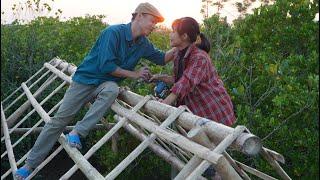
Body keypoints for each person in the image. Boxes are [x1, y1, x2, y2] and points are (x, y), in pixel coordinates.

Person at [15, 2, 177, 179]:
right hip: (85, 81)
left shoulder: (143, 44)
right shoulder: (113, 33)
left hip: (105, 85)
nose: (154, 26)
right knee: (58, 121)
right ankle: (29, 166)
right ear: (139, 16)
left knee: (112, 89)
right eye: (152, 21)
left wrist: (183, 42)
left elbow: (162, 59)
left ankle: (77, 132)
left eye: (156, 23)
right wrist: (135, 74)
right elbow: (106, 65)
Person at [150, 17, 236, 179]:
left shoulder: (199, 57)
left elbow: (185, 83)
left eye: (173, 31)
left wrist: (163, 105)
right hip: (197, 113)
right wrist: (159, 77)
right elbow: (178, 80)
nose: (170, 35)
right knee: (205, 159)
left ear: (184, 37)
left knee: (213, 162)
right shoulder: (179, 55)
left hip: (213, 111)